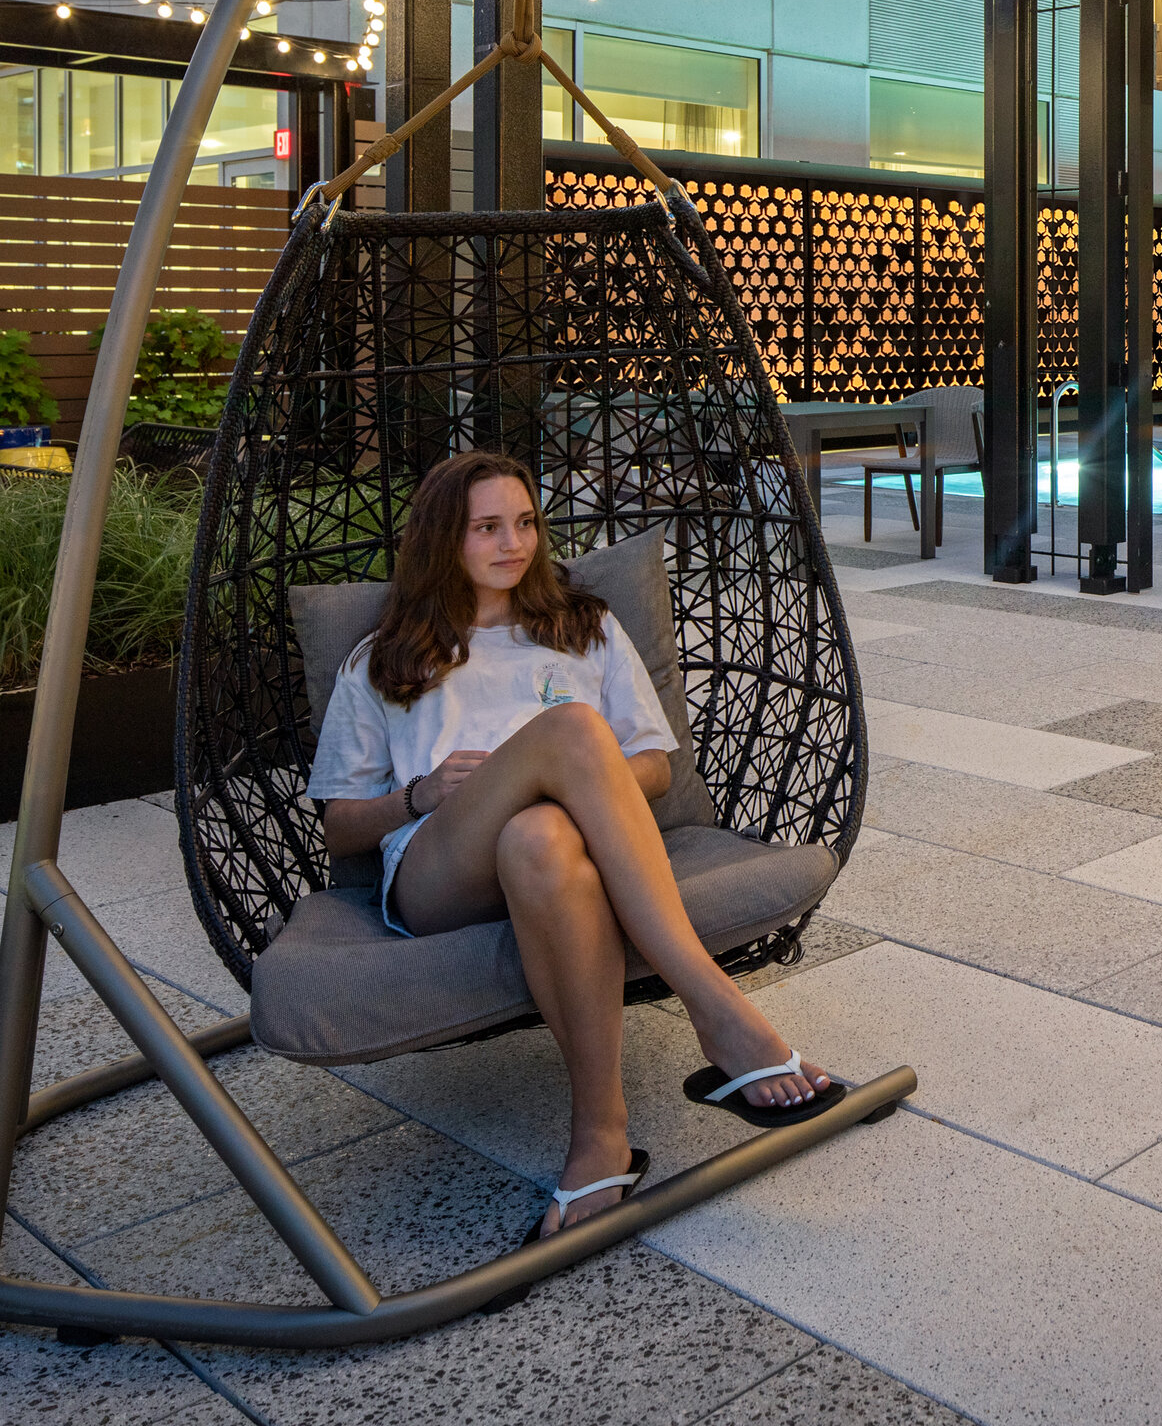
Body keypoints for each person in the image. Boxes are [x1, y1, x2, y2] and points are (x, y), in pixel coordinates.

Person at [311, 450, 838, 1247]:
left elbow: (656, 766)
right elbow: (341, 824)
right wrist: (421, 794)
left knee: (541, 828)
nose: (512, 543)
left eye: (524, 523)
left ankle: (600, 1137)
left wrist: (566, 783)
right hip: (438, 872)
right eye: (487, 527)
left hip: (552, 862)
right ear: (442, 538)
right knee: (570, 730)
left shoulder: (583, 629)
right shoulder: (385, 659)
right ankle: (716, 1007)